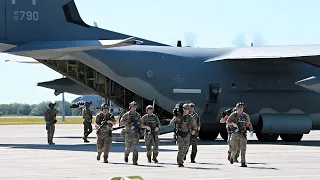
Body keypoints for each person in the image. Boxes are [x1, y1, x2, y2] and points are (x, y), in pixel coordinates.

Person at [227, 102, 254, 167]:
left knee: (243, 149)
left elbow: (249, 123)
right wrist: (233, 124)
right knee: (234, 149)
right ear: (237, 108)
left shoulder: (245, 116)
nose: (241, 109)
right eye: (239, 108)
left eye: (242, 108)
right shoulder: (233, 114)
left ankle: (243, 162)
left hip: (243, 134)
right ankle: (232, 157)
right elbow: (228, 121)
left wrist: (251, 130)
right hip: (235, 133)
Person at [120, 101, 142, 165]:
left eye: (135, 107)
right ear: (130, 107)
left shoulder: (138, 115)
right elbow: (121, 122)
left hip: (135, 134)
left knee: (135, 148)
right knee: (128, 148)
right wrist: (127, 122)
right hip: (128, 134)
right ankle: (126, 155)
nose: (134, 108)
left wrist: (138, 125)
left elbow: (141, 123)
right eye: (133, 107)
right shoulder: (126, 115)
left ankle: (135, 161)